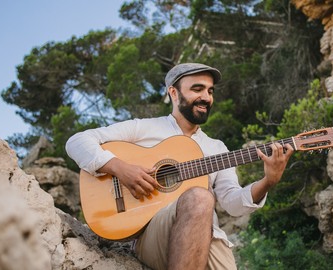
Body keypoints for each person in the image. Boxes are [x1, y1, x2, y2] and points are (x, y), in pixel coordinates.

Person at [65, 63, 294, 270]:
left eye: (210, 91)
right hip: (152, 240)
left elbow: (232, 203)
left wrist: (268, 182)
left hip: (207, 239)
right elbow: (77, 142)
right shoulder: (144, 129)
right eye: (197, 89)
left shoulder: (216, 147)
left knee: (203, 204)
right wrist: (120, 168)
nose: (206, 97)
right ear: (173, 92)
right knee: (200, 197)